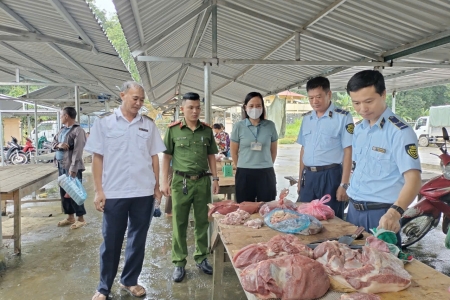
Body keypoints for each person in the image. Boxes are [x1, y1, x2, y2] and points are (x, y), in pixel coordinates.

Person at [85, 81, 166, 300]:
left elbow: (154, 158)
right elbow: (97, 159)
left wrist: (156, 187)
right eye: (135, 98)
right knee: (111, 240)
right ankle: (103, 286)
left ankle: (129, 280)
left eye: (141, 100)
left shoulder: (148, 125)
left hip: (143, 192)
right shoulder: (104, 124)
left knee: (138, 238)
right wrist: (98, 190)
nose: (139, 103)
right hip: (115, 192)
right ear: (122, 95)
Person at [345, 70, 421, 245]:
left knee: (381, 268)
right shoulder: (359, 130)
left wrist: (394, 213)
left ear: (383, 94)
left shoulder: (400, 132)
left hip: (381, 215)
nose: (362, 109)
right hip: (354, 211)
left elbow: (414, 180)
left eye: (369, 101)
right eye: (356, 103)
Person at [160, 92, 219, 283]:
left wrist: (215, 178)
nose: (194, 111)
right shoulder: (173, 130)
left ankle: (201, 258)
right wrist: (163, 181)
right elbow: (167, 157)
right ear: (183, 109)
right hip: (180, 182)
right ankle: (179, 262)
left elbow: (211, 155)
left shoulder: (207, 130)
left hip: (202, 181)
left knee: (203, 221)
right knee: (179, 223)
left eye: (197, 107)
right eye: (190, 107)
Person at [296, 77, 353, 219]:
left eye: (318, 97)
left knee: (331, 219)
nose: (314, 101)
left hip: (331, 176)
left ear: (329, 94)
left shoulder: (342, 117)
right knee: (304, 218)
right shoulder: (307, 119)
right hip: (308, 176)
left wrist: (344, 184)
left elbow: (348, 151)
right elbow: (304, 149)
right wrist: (300, 179)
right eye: (311, 98)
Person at [230, 92, 278, 203]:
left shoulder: (270, 125)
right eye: (251, 106)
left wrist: (266, 164)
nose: (255, 109)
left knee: (267, 207)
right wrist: (241, 166)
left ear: (262, 107)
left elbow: (273, 151)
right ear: (245, 107)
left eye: (258, 106)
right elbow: (234, 152)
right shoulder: (238, 126)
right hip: (244, 173)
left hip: (266, 172)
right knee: (244, 209)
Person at [52, 107, 87, 229]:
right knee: (64, 192)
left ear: (66, 116)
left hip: (71, 166)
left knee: (74, 191)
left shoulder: (78, 131)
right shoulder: (62, 130)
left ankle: (81, 218)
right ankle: (70, 217)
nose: (60, 117)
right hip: (60, 165)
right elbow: (53, 143)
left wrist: (73, 169)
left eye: (61, 115)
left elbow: (78, 152)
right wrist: (58, 145)